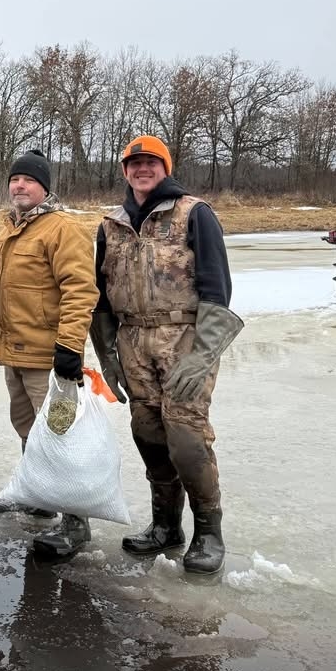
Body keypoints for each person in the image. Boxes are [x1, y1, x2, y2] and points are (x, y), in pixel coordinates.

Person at [89, 135, 242, 575]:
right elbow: (101, 297)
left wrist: (203, 355)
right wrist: (108, 356)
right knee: (148, 434)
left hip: (184, 339)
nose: (142, 169)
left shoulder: (195, 213)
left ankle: (208, 532)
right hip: (132, 341)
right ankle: (166, 526)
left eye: (151, 162)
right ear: (124, 170)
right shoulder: (111, 225)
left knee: (187, 439)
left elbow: (217, 288)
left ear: (165, 167)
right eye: (134, 163)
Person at [0, 150, 102, 560]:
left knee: (60, 435)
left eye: (29, 180)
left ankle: (75, 525)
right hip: (15, 352)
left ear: (45, 188)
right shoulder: (10, 229)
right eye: (15, 179)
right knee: (27, 429)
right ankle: (39, 497)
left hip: (49, 358)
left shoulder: (63, 228)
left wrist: (69, 346)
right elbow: (4, 290)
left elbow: (80, 291)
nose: (20, 186)